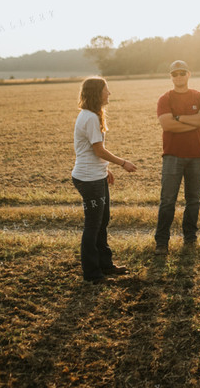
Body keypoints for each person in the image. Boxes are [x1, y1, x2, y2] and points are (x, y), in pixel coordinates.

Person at [71, 77, 137, 284]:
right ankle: (92, 275)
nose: (109, 94)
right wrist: (122, 163)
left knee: (102, 221)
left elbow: (93, 152)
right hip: (88, 180)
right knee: (93, 225)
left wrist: (105, 170)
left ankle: (105, 265)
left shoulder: (91, 115)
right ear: (96, 93)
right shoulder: (89, 117)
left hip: (96, 176)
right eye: (106, 90)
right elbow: (98, 149)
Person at [155, 60, 200, 255]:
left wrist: (180, 118)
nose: (178, 76)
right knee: (168, 200)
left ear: (189, 74)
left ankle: (190, 239)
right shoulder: (165, 99)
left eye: (182, 73)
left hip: (197, 155)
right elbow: (167, 126)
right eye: (174, 74)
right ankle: (161, 242)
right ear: (170, 77)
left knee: (193, 200)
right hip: (172, 156)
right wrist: (194, 123)